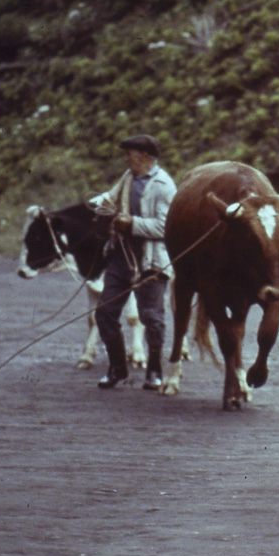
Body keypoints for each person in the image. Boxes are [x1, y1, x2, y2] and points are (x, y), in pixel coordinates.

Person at [91, 134, 177, 391]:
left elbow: (165, 226)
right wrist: (99, 207)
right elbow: (112, 198)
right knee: (104, 312)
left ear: (145, 156)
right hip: (121, 257)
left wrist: (132, 224)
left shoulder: (164, 186)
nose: (126, 158)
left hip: (151, 261)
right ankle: (117, 368)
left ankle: (154, 370)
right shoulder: (127, 178)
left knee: (151, 317)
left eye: (130, 153)